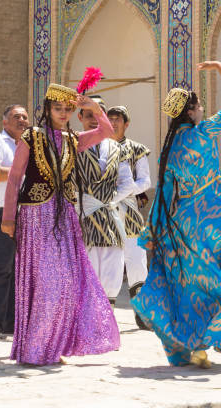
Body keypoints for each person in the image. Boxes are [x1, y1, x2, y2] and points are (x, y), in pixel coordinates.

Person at [132, 61, 221, 368]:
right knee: (218, 279)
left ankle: (188, 345)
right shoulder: (204, 132)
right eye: (198, 106)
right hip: (213, 217)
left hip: (183, 224)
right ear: (190, 111)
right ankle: (205, 339)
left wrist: (153, 233)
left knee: (188, 282)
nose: (201, 110)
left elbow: (164, 196)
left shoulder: (169, 150)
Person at [1, 84, 120, 366]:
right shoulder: (32, 136)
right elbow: (15, 178)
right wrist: (8, 218)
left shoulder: (73, 139)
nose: (64, 113)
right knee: (45, 282)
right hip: (35, 216)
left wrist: (92, 106)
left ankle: (52, 346)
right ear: (48, 109)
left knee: (66, 282)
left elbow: (107, 132)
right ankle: (36, 347)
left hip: (64, 217)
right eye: (58, 108)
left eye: (68, 109)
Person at [75, 97, 136, 308]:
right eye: (89, 114)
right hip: (82, 215)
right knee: (87, 265)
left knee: (112, 265)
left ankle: (106, 320)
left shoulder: (117, 148)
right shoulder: (73, 145)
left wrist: (106, 201)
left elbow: (127, 183)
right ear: (80, 117)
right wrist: (84, 202)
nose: (94, 120)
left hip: (109, 215)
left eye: (98, 114)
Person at [0, 104, 29, 339]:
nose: (22, 120)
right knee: (2, 267)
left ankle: (12, 322)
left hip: (24, 213)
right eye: (16, 117)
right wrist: (21, 174)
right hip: (0, 212)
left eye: (24, 117)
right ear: (5, 123)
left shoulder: (30, 145)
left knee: (18, 268)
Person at [107, 105, 152, 329]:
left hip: (130, 212)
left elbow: (146, 181)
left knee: (136, 262)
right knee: (108, 264)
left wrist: (124, 191)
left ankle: (141, 313)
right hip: (103, 214)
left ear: (126, 123)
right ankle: (106, 315)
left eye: (118, 119)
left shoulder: (137, 149)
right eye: (110, 118)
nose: (113, 123)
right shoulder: (99, 146)